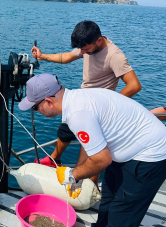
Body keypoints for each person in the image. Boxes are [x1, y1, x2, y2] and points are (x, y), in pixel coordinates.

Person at [19, 73, 166, 227]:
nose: (36, 112)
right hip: (126, 149)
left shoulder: (77, 114)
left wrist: (72, 174)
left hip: (149, 156)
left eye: (35, 108)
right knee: (110, 194)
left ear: (48, 102)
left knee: (122, 215)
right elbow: (94, 149)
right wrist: (80, 175)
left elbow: (101, 160)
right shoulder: (77, 98)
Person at [31, 20, 142, 176]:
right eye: (81, 49)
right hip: (82, 100)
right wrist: (43, 57)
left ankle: (89, 186)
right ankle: (55, 160)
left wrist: (112, 104)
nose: (82, 53)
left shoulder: (114, 56)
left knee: (94, 152)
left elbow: (134, 85)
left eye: (86, 49)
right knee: (66, 129)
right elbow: (68, 56)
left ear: (98, 40)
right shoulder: (87, 46)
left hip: (97, 108)